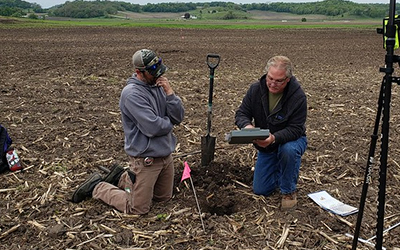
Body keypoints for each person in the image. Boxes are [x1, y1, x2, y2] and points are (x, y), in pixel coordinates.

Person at [71, 49, 185, 215]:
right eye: (153, 72)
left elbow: (178, 116)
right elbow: (153, 127)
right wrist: (170, 123)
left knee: (163, 200)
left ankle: (122, 178)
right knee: (138, 208)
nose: (158, 75)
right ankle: (98, 187)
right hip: (146, 159)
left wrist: (170, 94)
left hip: (165, 156)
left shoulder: (159, 86)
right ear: (139, 72)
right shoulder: (132, 94)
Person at [235, 55, 307, 210]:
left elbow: (296, 129)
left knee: (288, 150)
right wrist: (247, 127)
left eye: (278, 80)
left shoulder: (298, 97)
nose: (273, 83)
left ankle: (288, 191)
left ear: (288, 79)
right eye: (270, 78)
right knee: (261, 190)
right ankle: (280, 169)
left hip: (291, 140)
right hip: (266, 145)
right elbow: (241, 113)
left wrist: (274, 138)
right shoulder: (256, 90)